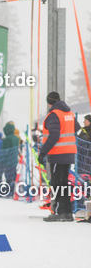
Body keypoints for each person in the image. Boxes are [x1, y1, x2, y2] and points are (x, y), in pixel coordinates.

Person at [39, 91, 76, 221]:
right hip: (69, 153)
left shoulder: (53, 115)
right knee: (64, 183)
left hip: (57, 154)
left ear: (49, 102)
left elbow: (54, 135)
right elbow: (75, 128)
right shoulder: (69, 114)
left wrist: (43, 151)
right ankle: (67, 212)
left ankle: (58, 212)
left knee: (56, 184)